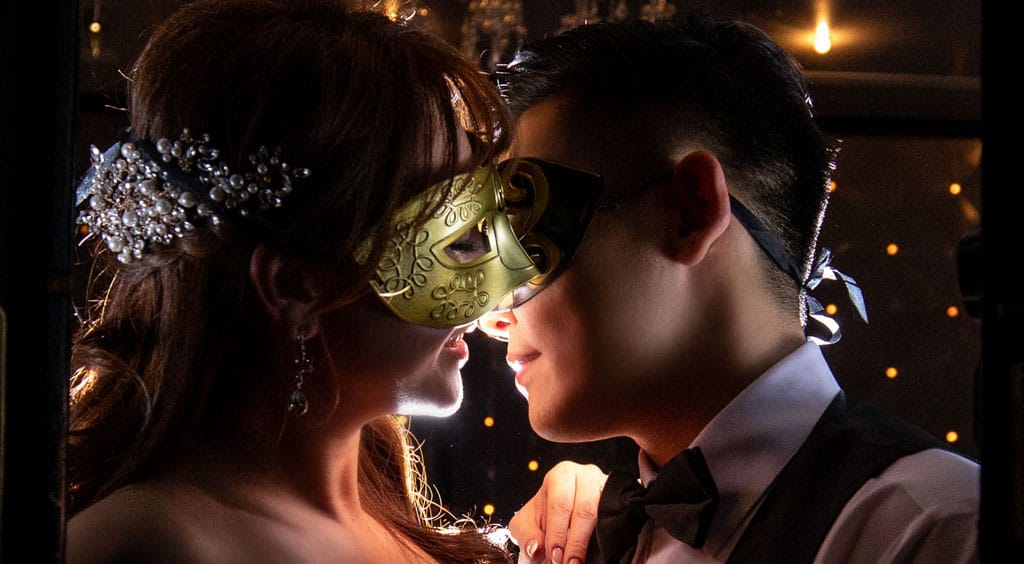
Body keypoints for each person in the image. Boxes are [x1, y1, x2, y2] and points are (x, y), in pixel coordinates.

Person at [484, 11, 981, 564]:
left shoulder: (934, 531)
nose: (492, 316)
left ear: (688, 213)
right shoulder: (588, 533)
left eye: (528, 242)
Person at [66, 1, 548, 561]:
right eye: (460, 240)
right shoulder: (148, 544)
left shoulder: (392, 523)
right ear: (295, 286)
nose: (513, 281)